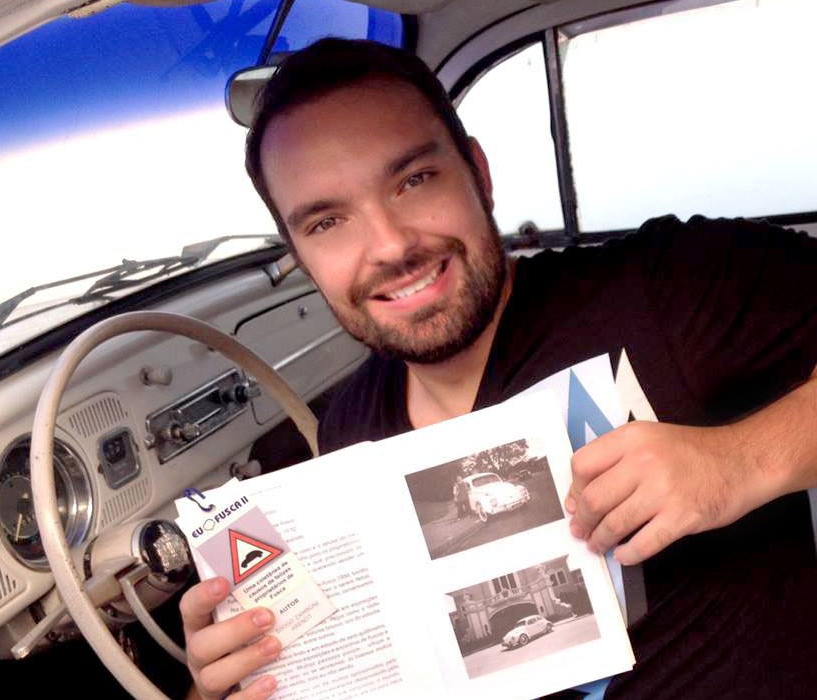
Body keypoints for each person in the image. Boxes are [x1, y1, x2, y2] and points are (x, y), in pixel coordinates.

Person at [180, 38, 817, 699]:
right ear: (299, 253)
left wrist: (742, 461)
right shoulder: (350, 437)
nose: (390, 245)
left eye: (414, 180)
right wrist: (252, 672)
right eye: (327, 222)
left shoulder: (670, 287)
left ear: (477, 173)